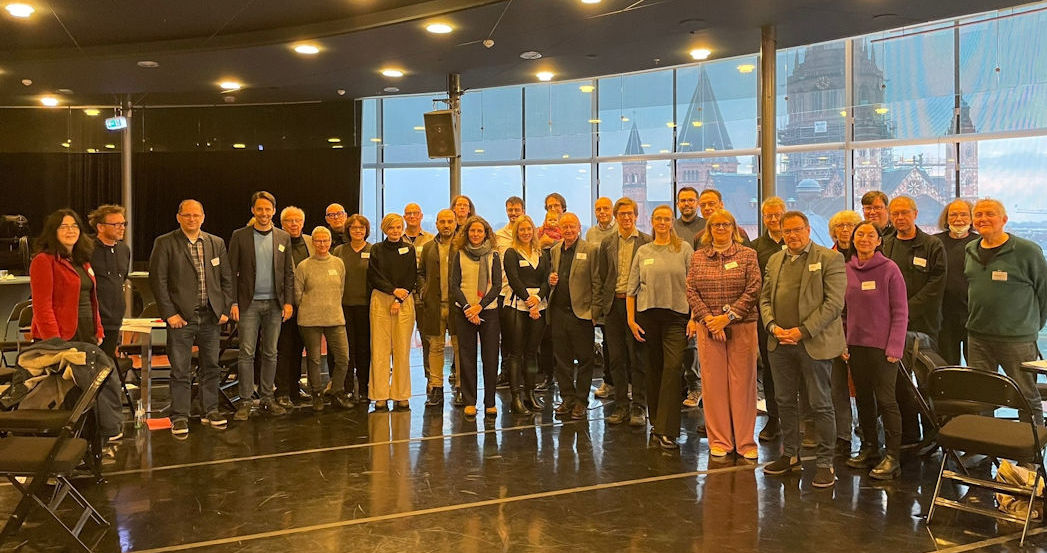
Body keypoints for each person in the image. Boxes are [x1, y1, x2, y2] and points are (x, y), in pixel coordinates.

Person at [759, 211, 846, 489]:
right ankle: (790, 455)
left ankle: (824, 463)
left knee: (820, 403)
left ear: (808, 230)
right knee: (784, 401)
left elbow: (833, 304)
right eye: (787, 231)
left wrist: (802, 331)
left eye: (797, 230)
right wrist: (772, 326)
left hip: (813, 342)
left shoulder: (829, 258)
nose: (792, 235)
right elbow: (764, 298)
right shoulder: (775, 259)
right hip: (779, 343)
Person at [30, 209, 123, 441]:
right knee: (69, 391)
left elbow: (93, 299)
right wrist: (55, 343)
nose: (70, 230)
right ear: (53, 231)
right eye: (64, 226)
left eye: (74, 226)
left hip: (86, 332)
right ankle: (62, 442)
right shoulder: (44, 260)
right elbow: (42, 306)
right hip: (60, 336)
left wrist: (98, 329)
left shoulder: (81, 260)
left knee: (95, 383)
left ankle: (94, 436)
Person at [149, 200, 234, 436]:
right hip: (181, 319)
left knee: (211, 367)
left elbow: (226, 279)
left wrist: (224, 308)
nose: (192, 219)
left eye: (196, 215)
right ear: (178, 217)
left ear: (203, 217)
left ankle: (211, 410)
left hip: (211, 317)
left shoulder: (216, 243)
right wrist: (170, 314)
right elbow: (159, 282)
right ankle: (180, 416)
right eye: (187, 215)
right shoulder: (165, 243)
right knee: (180, 370)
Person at [965, 198, 1047, 425]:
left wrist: (1028, 326)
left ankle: (1030, 455)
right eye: (978, 215)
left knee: (1026, 396)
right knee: (981, 397)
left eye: (989, 214)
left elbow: (1044, 293)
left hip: (1017, 340)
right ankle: (983, 450)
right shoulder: (970, 249)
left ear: (1004, 219)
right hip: (978, 337)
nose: (983, 219)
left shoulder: (1027, 251)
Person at [686, 208, 760, 459]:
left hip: (741, 326)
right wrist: (709, 320)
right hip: (708, 329)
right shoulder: (697, 257)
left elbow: (754, 288)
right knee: (713, 385)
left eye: (725, 224)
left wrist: (726, 318)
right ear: (708, 230)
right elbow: (691, 291)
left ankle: (745, 442)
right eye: (715, 225)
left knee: (743, 385)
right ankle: (719, 440)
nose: (720, 228)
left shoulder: (748, 255)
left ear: (734, 227)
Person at [843, 220, 908, 480]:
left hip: (883, 349)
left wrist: (895, 346)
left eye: (871, 235)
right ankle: (869, 448)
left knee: (886, 400)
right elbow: (844, 311)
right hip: (856, 346)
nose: (865, 239)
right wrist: (844, 342)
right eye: (860, 235)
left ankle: (892, 457)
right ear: (853, 240)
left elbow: (901, 312)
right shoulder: (846, 269)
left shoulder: (890, 269)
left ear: (879, 240)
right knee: (863, 400)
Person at [627, 205, 694, 449]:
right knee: (653, 371)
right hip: (647, 318)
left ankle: (667, 430)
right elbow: (631, 289)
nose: (662, 222)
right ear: (652, 221)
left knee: (673, 369)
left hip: (677, 318)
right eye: (658, 218)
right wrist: (631, 320)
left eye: (666, 218)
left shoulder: (684, 249)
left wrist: (694, 318)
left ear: (671, 222)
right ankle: (656, 424)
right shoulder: (644, 251)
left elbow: (694, 286)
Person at [882, 195, 946, 448]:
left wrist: (905, 311)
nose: (899, 218)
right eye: (895, 214)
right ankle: (909, 434)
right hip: (893, 327)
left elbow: (936, 285)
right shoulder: (886, 245)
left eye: (904, 213)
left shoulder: (932, 245)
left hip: (924, 325)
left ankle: (934, 433)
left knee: (927, 380)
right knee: (899, 381)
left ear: (915, 214)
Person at [228, 191, 294, 420]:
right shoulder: (239, 236)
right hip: (248, 305)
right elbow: (230, 273)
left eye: (268, 209)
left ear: (274, 211)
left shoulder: (283, 237)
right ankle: (246, 401)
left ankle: (267, 398)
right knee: (246, 353)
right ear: (253, 210)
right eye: (260, 209)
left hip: (275, 305)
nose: (264, 213)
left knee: (271, 352)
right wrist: (233, 302)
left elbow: (288, 273)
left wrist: (288, 302)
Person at [594, 197, 650, 426]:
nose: (626, 218)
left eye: (630, 214)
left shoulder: (647, 242)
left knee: (637, 358)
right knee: (616, 359)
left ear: (636, 216)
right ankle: (620, 405)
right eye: (622, 214)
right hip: (613, 307)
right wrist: (599, 309)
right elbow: (601, 277)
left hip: (638, 307)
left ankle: (639, 407)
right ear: (616, 218)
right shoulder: (607, 243)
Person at [548, 212, 600, 420]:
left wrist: (595, 312)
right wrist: (551, 280)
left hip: (582, 313)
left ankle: (581, 401)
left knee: (586, 360)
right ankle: (567, 397)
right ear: (560, 229)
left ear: (579, 228)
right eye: (565, 227)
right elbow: (552, 275)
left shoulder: (590, 250)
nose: (568, 230)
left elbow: (597, 281)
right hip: (559, 313)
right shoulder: (554, 251)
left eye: (572, 226)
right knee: (562, 360)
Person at [294, 227, 353, 411]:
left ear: (330, 242)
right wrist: (310, 306)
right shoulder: (304, 266)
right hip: (310, 320)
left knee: (343, 358)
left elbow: (341, 289)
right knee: (314, 359)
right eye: (318, 241)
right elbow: (297, 294)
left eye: (325, 240)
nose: (322, 244)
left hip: (335, 318)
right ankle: (317, 394)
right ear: (313, 242)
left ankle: (335, 391)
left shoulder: (338, 263)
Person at [450, 215, 502, 417]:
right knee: (467, 358)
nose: (476, 234)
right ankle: (469, 400)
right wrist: (467, 308)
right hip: (464, 312)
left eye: (480, 231)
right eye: (472, 231)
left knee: (490, 358)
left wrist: (479, 307)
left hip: (488, 311)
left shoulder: (494, 255)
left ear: (486, 233)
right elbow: (454, 284)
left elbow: (497, 285)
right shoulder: (459, 254)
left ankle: (490, 401)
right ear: (467, 233)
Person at [368, 213, 418, 411]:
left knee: (402, 350)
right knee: (380, 349)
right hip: (381, 299)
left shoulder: (409, 249)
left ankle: (401, 394)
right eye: (392, 228)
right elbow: (374, 275)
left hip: (404, 300)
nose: (395, 231)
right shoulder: (376, 249)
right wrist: (392, 291)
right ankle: (379, 395)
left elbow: (411, 275)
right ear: (384, 229)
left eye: (398, 227)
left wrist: (399, 297)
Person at [502, 214, 550, 413]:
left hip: (538, 305)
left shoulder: (541, 253)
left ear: (534, 231)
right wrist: (528, 301)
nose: (525, 233)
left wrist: (538, 299)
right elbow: (514, 279)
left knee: (532, 353)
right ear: (516, 232)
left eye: (528, 229)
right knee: (516, 353)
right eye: (521, 230)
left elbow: (546, 279)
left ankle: (530, 394)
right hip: (517, 305)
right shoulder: (511, 253)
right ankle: (516, 398)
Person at [749, 197, 788, 441]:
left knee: (799, 371)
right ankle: (774, 420)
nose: (774, 220)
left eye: (778, 215)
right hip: (766, 319)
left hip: (795, 318)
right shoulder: (755, 248)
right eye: (769, 216)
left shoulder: (798, 242)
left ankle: (801, 420)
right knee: (772, 371)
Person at [827, 209, 862, 454]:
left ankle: (869, 431)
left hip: (864, 331)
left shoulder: (869, 258)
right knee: (837, 386)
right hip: (835, 330)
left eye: (850, 225)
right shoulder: (827, 258)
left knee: (864, 384)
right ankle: (842, 434)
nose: (845, 230)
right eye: (840, 226)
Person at [418, 209, 461, 407]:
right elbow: (420, 273)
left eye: (449, 222)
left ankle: (461, 387)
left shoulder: (463, 247)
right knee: (435, 348)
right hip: (434, 306)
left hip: (457, 306)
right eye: (442, 221)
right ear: (436, 224)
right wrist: (423, 291)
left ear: (455, 223)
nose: (446, 225)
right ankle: (436, 388)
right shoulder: (428, 248)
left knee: (461, 348)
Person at [274, 206, 313, 408]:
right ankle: (281, 391)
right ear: (282, 224)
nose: (294, 224)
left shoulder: (310, 242)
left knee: (299, 349)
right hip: (284, 306)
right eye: (289, 220)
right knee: (284, 348)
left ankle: (294, 387)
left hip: (307, 306)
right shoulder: (276, 241)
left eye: (298, 220)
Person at [933, 199, 978, 365]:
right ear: (946, 218)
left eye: (964, 214)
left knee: (977, 369)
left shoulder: (979, 243)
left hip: (972, 316)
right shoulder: (935, 243)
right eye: (953, 214)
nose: (958, 218)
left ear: (972, 218)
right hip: (943, 317)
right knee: (947, 367)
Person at [333, 214, 373, 403]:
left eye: (361, 228)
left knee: (365, 349)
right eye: (354, 228)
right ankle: (347, 388)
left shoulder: (373, 251)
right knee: (347, 350)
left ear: (366, 230)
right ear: (348, 230)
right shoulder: (339, 251)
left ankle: (364, 389)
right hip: (344, 307)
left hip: (366, 307)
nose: (358, 231)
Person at [87, 204, 130, 361]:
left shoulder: (124, 250)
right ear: (100, 227)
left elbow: (121, 280)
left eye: (123, 223)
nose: (121, 228)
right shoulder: (87, 248)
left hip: (114, 319)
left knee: (107, 364)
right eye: (115, 224)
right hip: (92, 319)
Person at [588, 196, 618, 400]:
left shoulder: (619, 231)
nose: (602, 212)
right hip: (600, 294)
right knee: (608, 342)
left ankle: (629, 383)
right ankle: (609, 382)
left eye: (606, 208)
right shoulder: (591, 233)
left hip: (620, 295)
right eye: (598, 209)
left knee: (624, 344)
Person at [403, 203, 435, 393]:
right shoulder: (397, 238)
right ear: (404, 216)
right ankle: (399, 382)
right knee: (399, 340)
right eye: (409, 213)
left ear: (421, 216)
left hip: (424, 295)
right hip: (403, 296)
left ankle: (431, 379)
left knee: (427, 338)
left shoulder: (431, 240)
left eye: (416, 213)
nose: (413, 216)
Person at [495, 197, 525, 390]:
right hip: (505, 292)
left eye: (516, 210)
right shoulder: (499, 236)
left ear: (523, 210)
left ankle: (524, 374)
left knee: (523, 336)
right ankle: (506, 372)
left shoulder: (529, 232)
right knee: (505, 335)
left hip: (526, 293)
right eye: (510, 210)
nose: (513, 213)